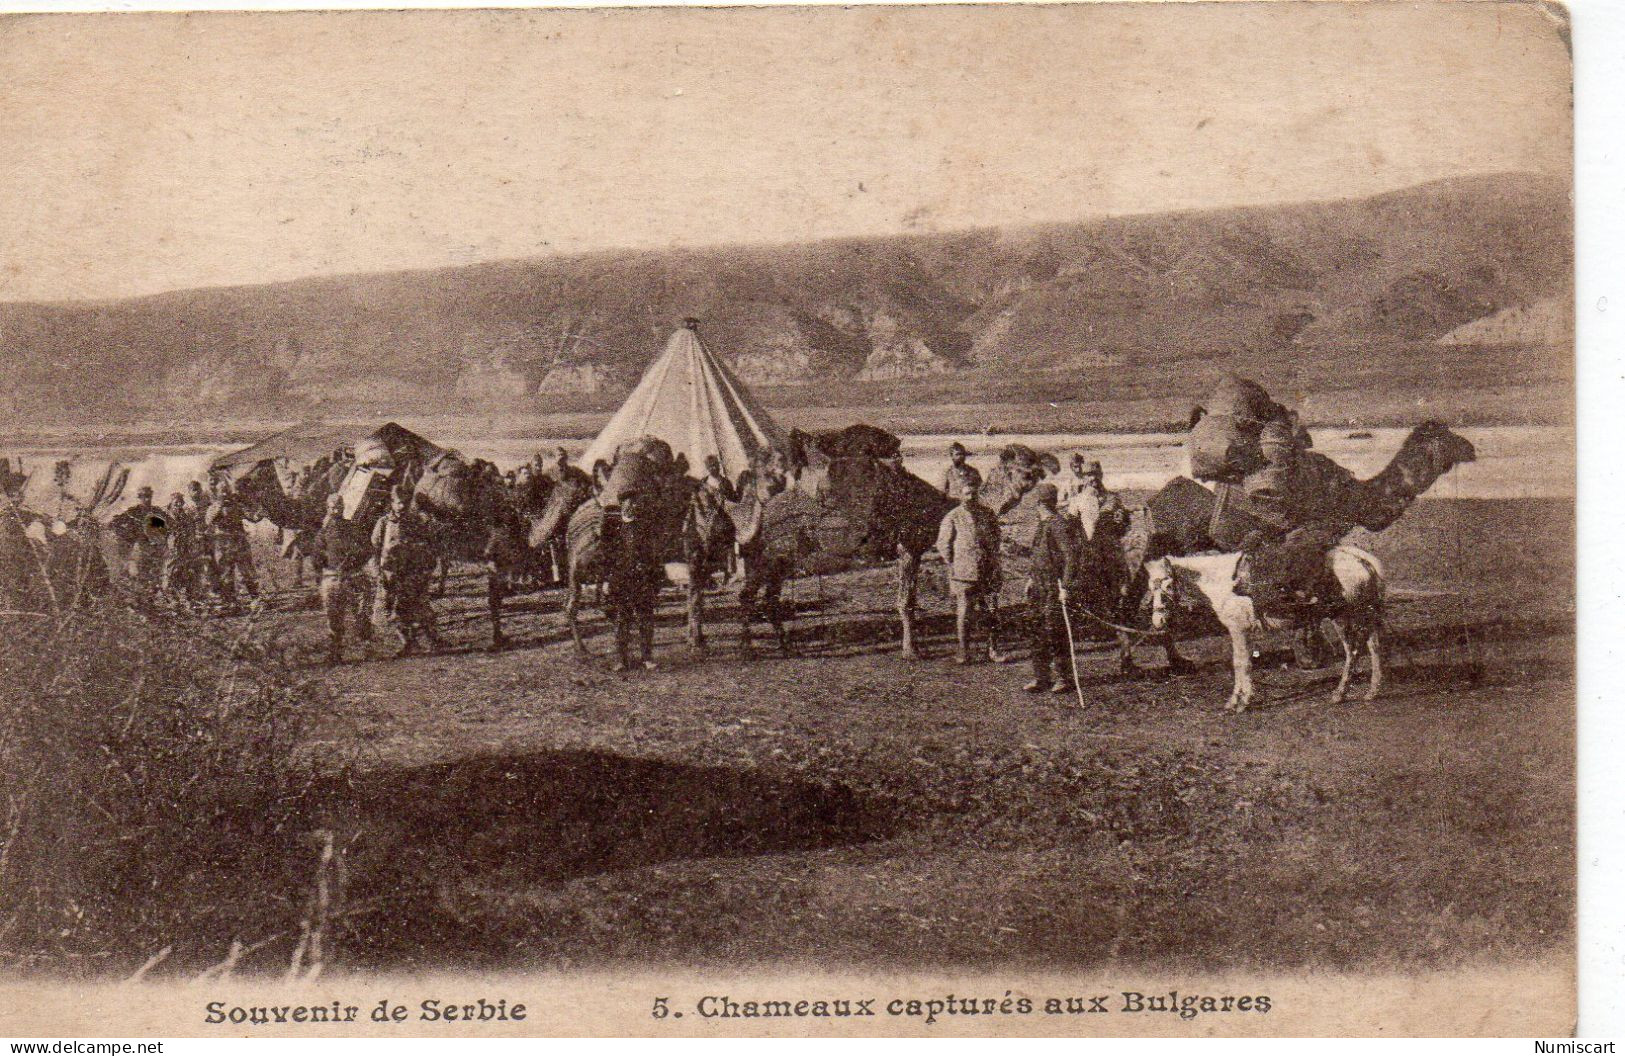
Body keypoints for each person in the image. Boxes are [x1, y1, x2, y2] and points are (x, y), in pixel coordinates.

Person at [935, 476, 1006, 664]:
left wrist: (994, 562)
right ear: (960, 495)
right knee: (964, 612)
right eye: (967, 493)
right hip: (963, 574)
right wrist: (955, 563)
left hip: (987, 571)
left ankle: (993, 650)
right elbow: (943, 545)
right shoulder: (953, 517)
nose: (971, 497)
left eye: (974, 493)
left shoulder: (988, 514)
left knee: (991, 612)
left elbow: (996, 539)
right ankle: (963, 652)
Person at [1024, 483, 1084, 695]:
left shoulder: (1058, 524)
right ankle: (1041, 677)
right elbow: (1039, 555)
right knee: (1037, 630)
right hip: (1038, 586)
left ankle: (1064, 677)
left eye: (1038, 502)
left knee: (1055, 631)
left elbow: (1071, 556)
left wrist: (1066, 586)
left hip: (1054, 586)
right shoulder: (1043, 524)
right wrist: (1031, 579)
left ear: (1041, 503)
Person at [372, 489, 443, 656]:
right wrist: (378, 572)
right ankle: (409, 643)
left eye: (404, 502)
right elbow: (375, 548)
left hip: (412, 572)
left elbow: (426, 544)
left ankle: (432, 639)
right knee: (393, 609)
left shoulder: (415, 522)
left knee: (419, 605)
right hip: (391, 573)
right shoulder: (383, 523)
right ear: (392, 503)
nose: (401, 506)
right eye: (398, 502)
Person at [603, 491, 664, 673]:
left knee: (645, 619)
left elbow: (652, 555)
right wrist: (606, 579)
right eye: (628, 504)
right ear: (621, 506)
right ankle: (621, 659)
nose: (632, 507)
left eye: (634, 504)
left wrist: (654, 579)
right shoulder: (612, 529)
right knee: (622, 620)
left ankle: (647, 658)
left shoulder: (644, 528)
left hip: (641, 580)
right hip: (621, 581)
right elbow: (606, 557)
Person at [312, 493, 375, 663]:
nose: (336, 510)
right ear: (328, 509)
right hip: (333, 580)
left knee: (361, 615)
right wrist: (326, 573)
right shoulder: (323, 534)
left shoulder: (353, 528)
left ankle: (368, 649)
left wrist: (355, 559)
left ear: (343, 507)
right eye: (332, 507)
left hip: (354, 577)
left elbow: (368, 549)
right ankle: (336, 653)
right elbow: (317, 559)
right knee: (334, 618)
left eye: (339, 506)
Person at [205, 479, 259, 611]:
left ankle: (255, 598)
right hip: (223, 543)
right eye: (221, 491)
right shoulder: (214, 507)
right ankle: (232, 602)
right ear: (217, 492)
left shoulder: (237, 504)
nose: (224, 493)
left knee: (247, 571)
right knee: (226, 573)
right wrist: (219, 507)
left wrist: (259, 509)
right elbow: (208, 520)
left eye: (226, 490)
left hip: (239, 541)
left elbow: (253, 517)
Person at [117, 485, 168, 605]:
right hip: (140, 548)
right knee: (140, 574)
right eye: (142, 496)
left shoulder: (157, 512)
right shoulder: (133, 512)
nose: (145, 499)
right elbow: (116, 523)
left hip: (156, 549)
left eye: (148, 496)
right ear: (139, 497)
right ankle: (140, 602)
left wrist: (161, 536)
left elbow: (170, 524)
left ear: (151, 496)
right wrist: (129, 535)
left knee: (155, 575)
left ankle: (152, 602)